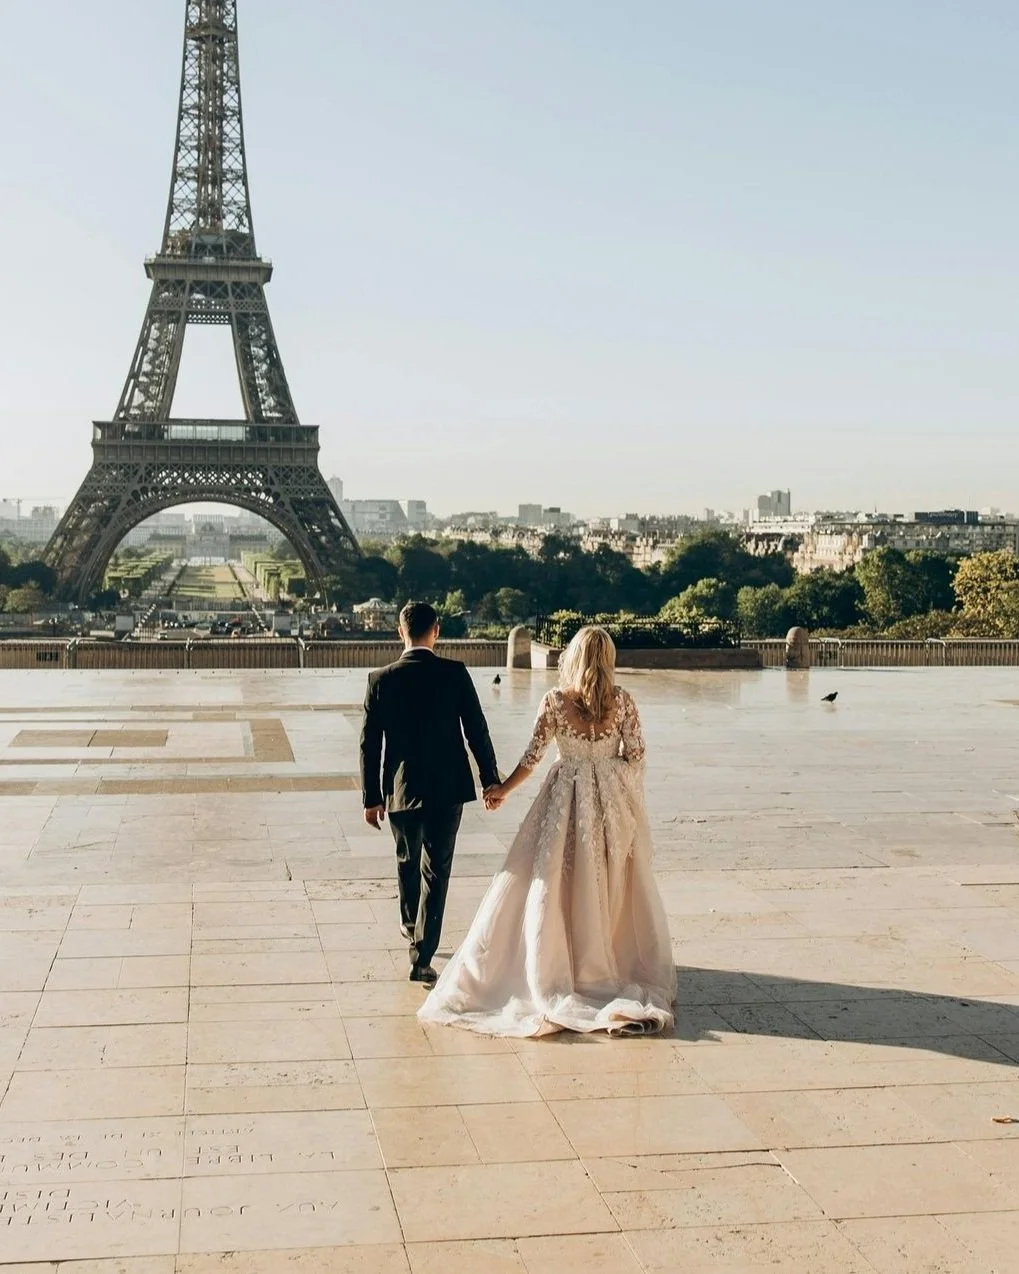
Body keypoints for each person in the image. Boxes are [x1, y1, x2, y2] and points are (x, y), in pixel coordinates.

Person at [419, 625, 676, 1036]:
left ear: (572, 657)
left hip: (565, 797)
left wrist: (500, 789)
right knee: (607, 881)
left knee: (554, 879)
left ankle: (559, 962)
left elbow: (532, 757)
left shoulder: (556, 702)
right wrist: (609, 781)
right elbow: (637, 756)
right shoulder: (623, 701)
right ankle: (599, 959)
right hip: (609, 803)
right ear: (608, 659)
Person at [360, 600, 501, 985]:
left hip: (401, 788)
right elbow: (477, 730)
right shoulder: (455, 674)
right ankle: (422, 953)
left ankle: (410, 926)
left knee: (406, 860)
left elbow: (370, 745)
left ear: (399, 632)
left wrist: (371, 797)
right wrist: (490, 778)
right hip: (448, 787)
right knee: (437, 871)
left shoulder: (380, 679)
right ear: (436, 630)